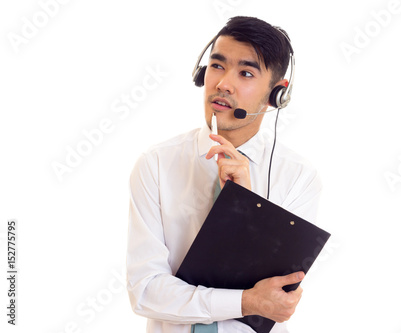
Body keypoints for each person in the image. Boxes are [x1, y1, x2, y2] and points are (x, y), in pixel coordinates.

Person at [126, 16, 322, 333]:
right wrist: (245, 302)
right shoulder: (156, 164)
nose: (223, 84)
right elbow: (145, 292)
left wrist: (247, 207)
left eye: (245, 73)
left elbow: (277, 301)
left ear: (277, 95)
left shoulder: (298, 177)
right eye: (217, 66)